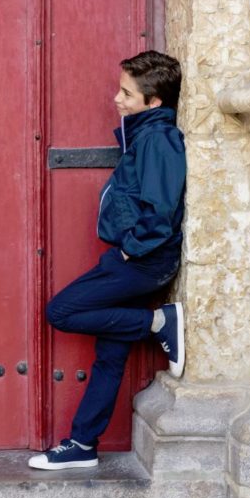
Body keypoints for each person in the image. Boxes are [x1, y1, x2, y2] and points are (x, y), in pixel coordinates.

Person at [29, 50, 186, 471]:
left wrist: (132, 246)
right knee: (110, 356)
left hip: (141, 261)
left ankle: (158, 323)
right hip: (134, 257)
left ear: (153, 103)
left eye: (126, 93)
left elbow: (162, 209)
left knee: (61, 310)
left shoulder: (158, 140)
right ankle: (83, 443)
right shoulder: (144, 136)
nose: (117, 99)